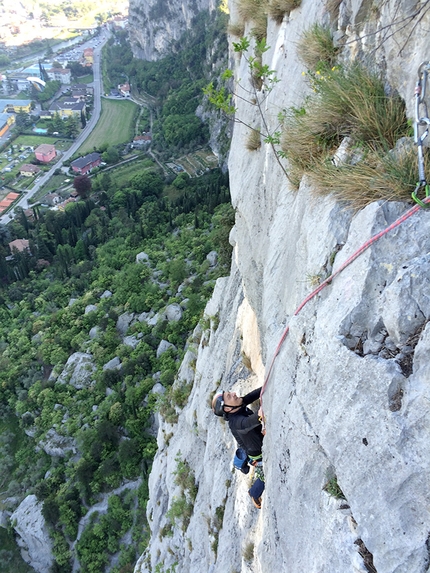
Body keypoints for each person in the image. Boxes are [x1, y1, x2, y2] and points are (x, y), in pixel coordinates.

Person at [212, 387, 265, 509]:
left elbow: (251, 395)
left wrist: (264, 387)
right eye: (229, 396)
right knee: (264, 476)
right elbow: (248, 423)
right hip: (257, 453)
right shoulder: (235, 422)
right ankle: (254, 493)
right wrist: (259, 414)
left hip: (257, 441)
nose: (234, 394)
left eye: (229, 393)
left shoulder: (237, 405)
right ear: (227, 409)